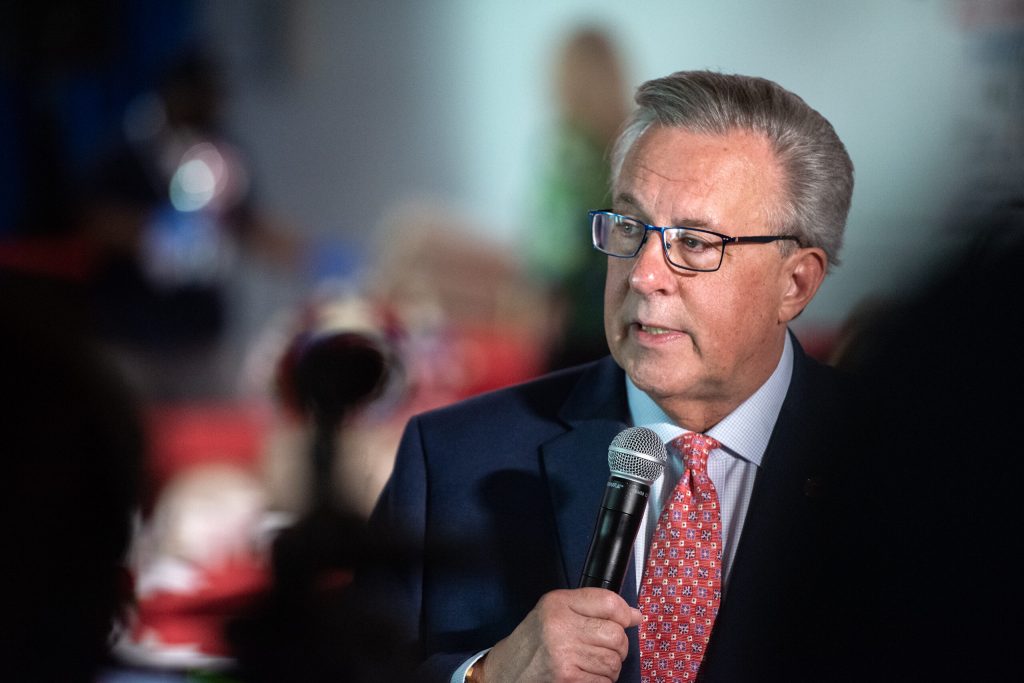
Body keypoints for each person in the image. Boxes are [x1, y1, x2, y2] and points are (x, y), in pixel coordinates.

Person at [364, 70, 855, 682]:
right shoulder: (452, 462)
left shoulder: (908, 467)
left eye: (696, 243)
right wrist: (487, 676)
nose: (645, 275)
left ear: (795, 283)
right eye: (629, 228)